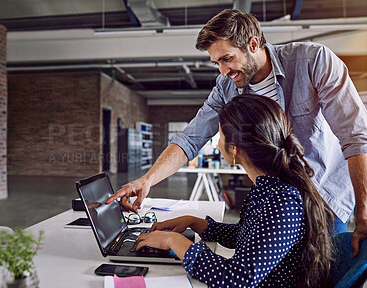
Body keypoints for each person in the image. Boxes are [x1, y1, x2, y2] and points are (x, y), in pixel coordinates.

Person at [106, 9, 367, 256]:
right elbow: (191, 137)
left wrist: (364, 214)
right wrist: (147, 180)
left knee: (319, 272)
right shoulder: (226, 86)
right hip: (275, 201)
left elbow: (355, 136)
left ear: (253, 44)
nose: (223, 71)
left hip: (322, 195)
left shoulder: (313, 61)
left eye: (227, 58)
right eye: (216, 62)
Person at [136, 95, 334, 288]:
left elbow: (237, 279)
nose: (218, 141)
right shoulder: (267, 187)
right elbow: (246, 236)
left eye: (220, 135)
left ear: (234, 149)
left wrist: (174, 241)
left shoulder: (282, 202)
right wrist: (195, 222)